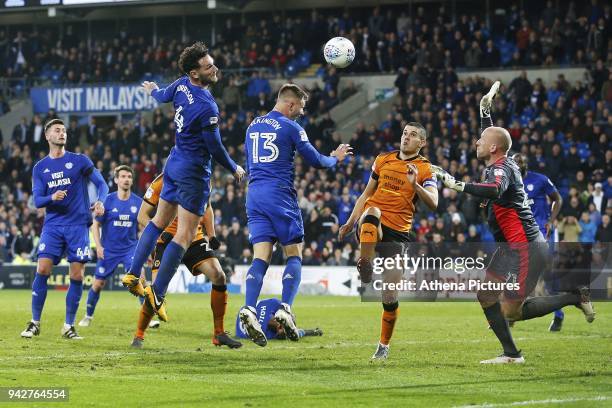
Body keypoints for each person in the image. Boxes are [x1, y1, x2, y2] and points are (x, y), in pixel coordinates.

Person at [434, 81, 595, 364]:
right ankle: (511, 353)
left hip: (526, 249)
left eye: (480, 140)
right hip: (512, 248)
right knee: (485, 295)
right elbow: (493, 138)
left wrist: (457, 184)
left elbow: (495, 189)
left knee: (512, 312)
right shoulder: (501, 161)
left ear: (493, 147)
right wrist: (485, 111)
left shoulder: (501, 168)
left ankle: (572, 298)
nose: (476, 142)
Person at [121, 42, 245, 324]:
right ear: (195, 73)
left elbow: (162, 95)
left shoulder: (179, 85)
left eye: (212, 63)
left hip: (174, 164)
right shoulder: (207, 106)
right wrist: (235, 167)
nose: (214, 68)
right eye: (208, 66)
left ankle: (132, 272)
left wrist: (152, 90)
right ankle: (158, 292)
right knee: (185, 235)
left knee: (158, 222)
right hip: (193, 172)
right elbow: (215, 147)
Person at [239, 83, 351, 347]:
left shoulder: (252, 126)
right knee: (294, 253)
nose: (301, 112)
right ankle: (285, 308)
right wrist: (335, 157)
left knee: (261, 257)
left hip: (254, 195)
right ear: (290, 104)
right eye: (300, 107)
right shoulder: (291, 127)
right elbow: (317, 161)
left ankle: (248, 308)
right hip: (279, 195)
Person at [338, 122, 439, 361]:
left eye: (413, 135)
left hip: (399, 233)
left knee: (389, 295)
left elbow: (434, 202)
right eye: (404, 132)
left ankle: (383, 346)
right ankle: (366, 262)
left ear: (421, 143)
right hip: (373, 224)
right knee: (373, 211)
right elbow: (365, 194)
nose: (406, 137)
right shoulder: (383, 159)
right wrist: (351, 221)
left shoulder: (425, 169)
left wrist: (415, 185)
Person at [130, 173, 241, 349]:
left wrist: (211, 235)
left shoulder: (203, 178)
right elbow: (142, 215)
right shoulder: (162, 181)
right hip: (167, 241)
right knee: (157, 292)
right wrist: (160, 232)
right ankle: (139, 335)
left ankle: (219, 333)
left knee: (219, 276)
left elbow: (207, 207)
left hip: (194, 238)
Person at [21, 119, 109, 340]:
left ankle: (68, 325)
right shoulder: (40, 167)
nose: (62, 133)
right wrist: (53, 196)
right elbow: (38, 200)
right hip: (53, 225)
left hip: (78, 225)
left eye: (64, 131)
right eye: (57, 130)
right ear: (47, 136)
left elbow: (102, 184)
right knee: (42, 269)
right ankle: (34, 322)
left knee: (77, 274)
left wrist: (100, 201)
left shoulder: (79, 161)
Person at [78, 165, 142, 327]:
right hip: (109, 250)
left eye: (129, 176)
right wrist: (98, 246)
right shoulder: (107, 200)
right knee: (98, 284)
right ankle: (88, 316)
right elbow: (95, 225)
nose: (126, 179)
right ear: (116, 180)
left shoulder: (138, 202)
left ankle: (148, 317)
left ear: (132, 180)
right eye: (123, 176)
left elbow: (143, 228)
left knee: (139, 279)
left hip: (130, 249)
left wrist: (144, 248)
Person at [512, 153, 566, 332]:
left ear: (526, 163)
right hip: (521, 236)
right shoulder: (510, 185)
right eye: (515, 161)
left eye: (521, 161)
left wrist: (551, 220)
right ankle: (511, 314)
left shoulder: (541, 180)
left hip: (541, 233)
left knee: (545, 276)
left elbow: (558, 199)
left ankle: (559, 314)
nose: (518, 164)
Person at [235, 298, 323, 341]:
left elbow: (295, 333)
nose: (280, 325)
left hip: (243, 319)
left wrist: (311, 332)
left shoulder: (266, 334)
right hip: (244, 320)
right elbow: (297, 332)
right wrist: (311, 332)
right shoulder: (274, 304)